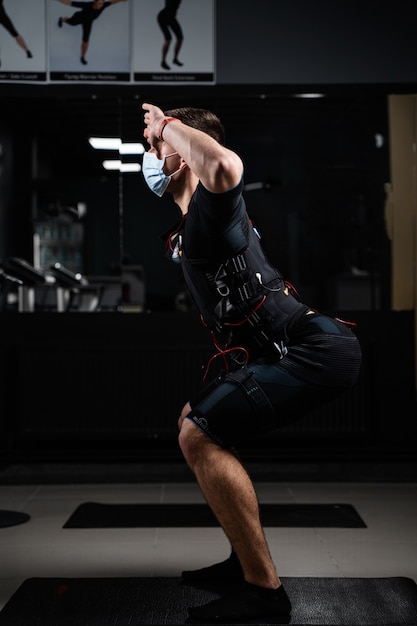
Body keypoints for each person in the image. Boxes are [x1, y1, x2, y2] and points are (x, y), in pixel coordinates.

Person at [141, 102, 362, 622]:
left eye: (157, 147)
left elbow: (224, 166)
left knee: (197, 434)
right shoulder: (193, 220)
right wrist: (166, 135)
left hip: (311, 350)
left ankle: (265, 594)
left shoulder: (213, 203)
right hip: (283, 350)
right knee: (191, 420)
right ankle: (243, 560)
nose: (151, 153)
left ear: (188, 151)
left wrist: (169, 125)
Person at [56, 0, 127, 65]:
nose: (101, 5)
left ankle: (82, 57)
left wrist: (121, 0)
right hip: (79, 17)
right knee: (71, 23)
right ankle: (63, 19)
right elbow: (69, 3)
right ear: (95, 2)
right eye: (99, 3)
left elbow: (112, 2)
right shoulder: (87, 5)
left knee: (86, 40)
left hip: (88, 22)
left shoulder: (103, 6)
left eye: (102, 4)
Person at [0, 0, 33, 65]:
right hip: (2, 15)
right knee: (15, 34)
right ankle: (28, 51)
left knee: (15, 34)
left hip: (2, 15)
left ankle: (27, 51)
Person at [157, 0, 183, 70]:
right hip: (162, 18)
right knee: (168, 39)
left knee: (180, 38)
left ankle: (175, 59)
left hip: (171, 18)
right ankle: (163, 62)